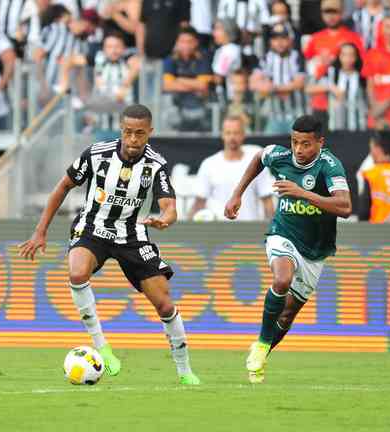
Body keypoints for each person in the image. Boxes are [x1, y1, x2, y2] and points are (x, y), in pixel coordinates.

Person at [19, 104, 200, 386]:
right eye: (128, 132)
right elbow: (63, 187)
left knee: (164, 304)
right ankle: (102, 346)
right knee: (77, 273)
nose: (132, 140)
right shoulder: (96, 153)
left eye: (139, 134)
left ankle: (185, 370)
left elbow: (170, 206)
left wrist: (166, 218)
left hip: (132, 235)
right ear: (121, 130)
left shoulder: (156, 165)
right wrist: (40, 231)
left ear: (150, 133)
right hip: (93, 228)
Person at [224, 115, 352, 384]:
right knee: (281, 279)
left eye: (306, 144)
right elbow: (260, 157)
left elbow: (345, 207)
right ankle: (261, 344)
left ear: (320, 142)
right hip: (283, 234)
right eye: (294, 142)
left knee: (288, 313)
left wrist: (302, 193)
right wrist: (238, 193)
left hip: (316, 249)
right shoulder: (280, 156)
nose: (298, 150)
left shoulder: (330, 166)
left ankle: (262, 352)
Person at [188, 116, 273, 221]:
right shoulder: (209, 164)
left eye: (236, 133)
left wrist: (272, 231)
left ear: (243, 135)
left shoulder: (256, 162)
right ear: (222, 135)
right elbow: (199, 203)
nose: (232, 137)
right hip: (218, 232)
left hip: (250, 231)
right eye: (228, 133)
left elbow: (267, 201)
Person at [250, 22, 305, 134]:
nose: (279, 42)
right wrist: (284, 88)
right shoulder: (266, 58)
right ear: (270, 41)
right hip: (272, 115)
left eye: (283, 38)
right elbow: (253, 83)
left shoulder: (297, 57)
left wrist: (272, 88)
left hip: (295, 115)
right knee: (270, 149)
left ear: (290, 40)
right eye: (275, 38)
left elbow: (299, 83)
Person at [162, 27, 213, 132]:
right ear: (177, 42)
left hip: (200, 107)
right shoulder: (170, 59)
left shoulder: (203, 58)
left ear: (196, 43)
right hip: (176, 107)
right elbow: (167, 85)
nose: (186, 45)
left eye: (189, 42)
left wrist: (178, 79)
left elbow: (203, 85)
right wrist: (194, 85)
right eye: (182, 41)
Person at [359, 132, 390, 223]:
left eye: (371, 148)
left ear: (378, 149)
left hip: (379, 233)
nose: (371, 153)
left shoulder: (371, 174)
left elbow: (364, 212)